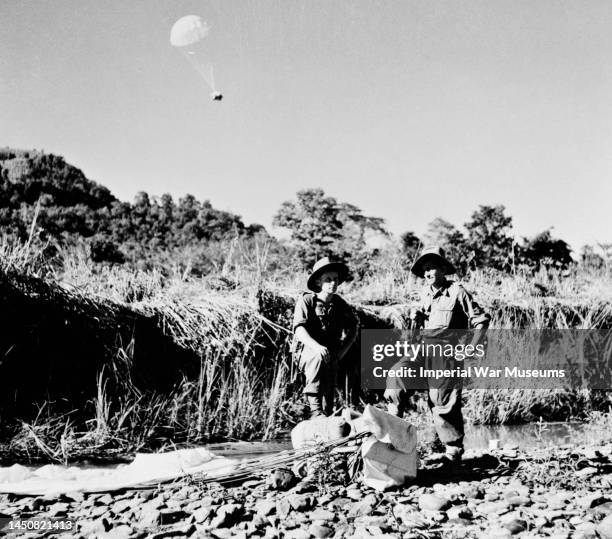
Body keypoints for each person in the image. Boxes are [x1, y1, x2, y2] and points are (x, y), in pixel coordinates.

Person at [385, 246, 490, 464]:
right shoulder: (424, 293)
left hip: (446, 349)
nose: (427, 274)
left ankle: (453, 449)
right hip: (421, 348)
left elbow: (481, 320)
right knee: (397, 376)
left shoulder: (458, 292)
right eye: (424, 270)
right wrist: (416, 317)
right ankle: (392, 437)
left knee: (441, 398)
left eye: (431, 268)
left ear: (443, 268)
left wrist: (470, 348)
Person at [292, 257, 359, 417]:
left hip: (330, 351)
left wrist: (342, 351)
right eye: (327, 280)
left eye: (335, 279)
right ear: (318, 282)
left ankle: (327, 413)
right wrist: (316, 346)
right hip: (308, 350)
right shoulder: (307, 300)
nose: (333, 283)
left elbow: (353, 327)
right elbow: (299, 330)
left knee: (330, 367)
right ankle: (316, 411)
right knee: (318, 357)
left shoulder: (340, 304)